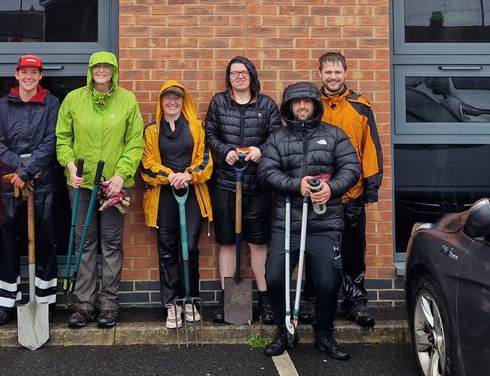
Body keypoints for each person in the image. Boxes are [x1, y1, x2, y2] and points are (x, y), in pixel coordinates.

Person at [259, 82, 361, 360]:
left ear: (315, 105)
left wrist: (333, 188)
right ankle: (284, 330)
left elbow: (351, 168)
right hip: (287, 224)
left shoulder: (335, 135)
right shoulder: (278, 138)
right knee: (276, 277)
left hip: (325, 224)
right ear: (289, 106)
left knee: (328, 282)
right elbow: (266, 172)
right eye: (296, 102)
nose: (302, 107)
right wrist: (296, 185)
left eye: (307, 102)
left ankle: (324, 334)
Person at [55, 51, 143, 329]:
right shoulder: (74, 99)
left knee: (112, 243)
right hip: (82, 184)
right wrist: (69, 165)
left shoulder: (127, 100)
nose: (102, 70)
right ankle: (83, 304)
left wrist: (121, 174)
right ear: (90, 70)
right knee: (84, 243)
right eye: (97, 66)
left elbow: (135, 142)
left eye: (107, 66)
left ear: (114, 71)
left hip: (115, 186)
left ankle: (109, 304)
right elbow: (62, 138)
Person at [203, 56, 281, 323]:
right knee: (226, 242)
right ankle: (231, 301)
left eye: (244, 72)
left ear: (252, 75)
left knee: (258, 243)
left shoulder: (267, 105)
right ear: (228, 77)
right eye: (234, 73)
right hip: (226, 183)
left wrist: (262, 151)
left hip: (258, 185)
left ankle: (266, 300)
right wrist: (225, 151)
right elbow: (209, 133)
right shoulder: (218, 102)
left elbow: (276, 136)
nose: (239, 77)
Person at [0, 55, 61, 325]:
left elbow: (53, 139)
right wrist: (20, 170)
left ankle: (44, 301)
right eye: (24, 72)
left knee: (46, 241)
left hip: (43, 182)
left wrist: (28, 170)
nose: (29, 77)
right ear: (16, 75)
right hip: (9, 182)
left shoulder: (51, 103)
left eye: (34, 72)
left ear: (40, 76)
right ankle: (5, 303)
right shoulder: (3, 106)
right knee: (7, 241)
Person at [316, 51, 383, 328]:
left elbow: (371, 149)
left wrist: (371, 187)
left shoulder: (360, 106)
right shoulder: (310, 104)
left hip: (350, 194)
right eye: (327, 72)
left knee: (353, 252)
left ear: (345, 73)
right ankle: (316, 301)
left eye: (337, 72)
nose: (333, 77)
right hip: (319, 194)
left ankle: (355, 302)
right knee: (317, 252)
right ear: (320, 74)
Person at [140, 81, 213, 329]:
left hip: (191, 194)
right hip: (164, 196)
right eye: (168, 98)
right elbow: (146, 165)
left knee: (190, 247)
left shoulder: (196, 128)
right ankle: (171, 303)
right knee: (168, 249)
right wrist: (169, 175)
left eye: (177, 99)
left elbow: (206, 161)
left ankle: (190, 299)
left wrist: (189, 175)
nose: (173, 102)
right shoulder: (151, 130)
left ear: (184, 102)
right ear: (161, 102)